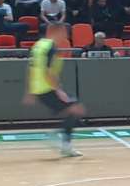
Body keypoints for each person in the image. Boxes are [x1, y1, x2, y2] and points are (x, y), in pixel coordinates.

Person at [22, 24, 86, 157]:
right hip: (47, 88)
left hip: (39, 89)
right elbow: (48, 71)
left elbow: (31, 68)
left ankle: (63, 141)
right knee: (77, 109)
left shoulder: (38, 45)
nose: (65, 35)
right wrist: (58, 90)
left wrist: (30, 91)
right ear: (55, 32)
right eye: (63, 32)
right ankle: (61, 140)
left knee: (74, 109)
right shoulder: (50, 47)